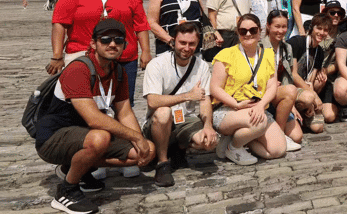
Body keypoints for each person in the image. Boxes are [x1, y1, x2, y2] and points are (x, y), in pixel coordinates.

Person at [36, 19, 155, 214]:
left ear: (125, 45)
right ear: (93, 44)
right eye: (105, 39)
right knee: (100, 137)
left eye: (118, 40)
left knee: (146, 150)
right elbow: (93, 119)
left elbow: (124, 112)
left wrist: (140, 142)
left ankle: (73, 168)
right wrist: (134, 137)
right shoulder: (78, 69)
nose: (112, 44)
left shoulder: (118, 72)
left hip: (85, 134)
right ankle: (67, 191)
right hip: (53, 138)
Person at [50, 0, 150, 116]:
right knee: (84, 105)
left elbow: (141, 25)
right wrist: (57, 55)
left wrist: (146, 52)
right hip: (84, 57)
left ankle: (122, 140)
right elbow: (59, 24)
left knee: (123, 104)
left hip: (123, 58)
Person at [142, 21, 217, 186]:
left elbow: (205, 100)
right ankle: (162, 163)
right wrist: (188, 96)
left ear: (197, 45)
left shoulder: (202, 66)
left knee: (208, 141)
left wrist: (208, 125)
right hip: (159, 122)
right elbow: (152, 101)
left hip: (185, 119)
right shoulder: (157, 64)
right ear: (173, 41)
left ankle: (177, 148)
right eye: (182, 42)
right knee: (163, 112)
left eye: (192, 44)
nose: (187, 48)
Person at [209, 14, 286, 165]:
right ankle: (234, 147)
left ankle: (243, 139)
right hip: (228, 109)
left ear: (260, 31)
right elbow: (215, 88)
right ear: (238, 33)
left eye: (253, 30)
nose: (248, 34)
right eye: (243, 31)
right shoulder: (226, 55)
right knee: (259, 123)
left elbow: (272, 86)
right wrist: (235, 104)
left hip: (256, 108)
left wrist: (260, 105)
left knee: (277, 150)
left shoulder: (268, 54)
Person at [260, 10, 304, 151]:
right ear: (268, 26)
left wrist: (291, 104)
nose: (281, 30)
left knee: (297, 136)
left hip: (280, 95)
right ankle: (278, 134)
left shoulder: (287, 48)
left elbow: (288, 78)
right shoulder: (259, 47)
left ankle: (277, 129)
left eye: (284, 27)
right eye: (277, 26)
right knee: (291, 90)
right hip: (264, 95)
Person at [288, 13, 333, 127]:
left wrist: (312, 100)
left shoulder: (320, 52)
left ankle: (306, 110)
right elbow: (293, 75)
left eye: (325, 30)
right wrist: (315, 97)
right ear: (311, 28)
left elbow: (311, 80)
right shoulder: (297, 42)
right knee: (309, 97)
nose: (322, 33)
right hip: (289, 87)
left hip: (304, 88)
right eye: (319, 28)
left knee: (318, 128)